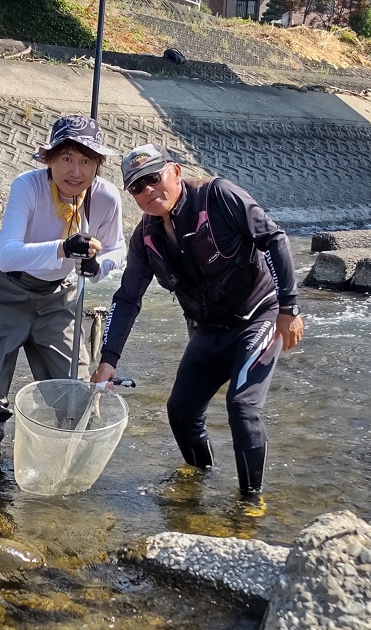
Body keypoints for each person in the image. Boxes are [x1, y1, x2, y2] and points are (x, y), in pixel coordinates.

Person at [91, 143, 303, 497]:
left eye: (153, 178)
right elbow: (127, 298)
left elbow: (274, 238)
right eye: (137, 187)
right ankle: (199, 480)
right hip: (206, 331)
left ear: (174, 171)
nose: (148, 190)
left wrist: (289, 308)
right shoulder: (145, 238)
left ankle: (250, 501)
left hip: (257, 317)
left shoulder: (218, 196)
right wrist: (107, 361)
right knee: (180, 410)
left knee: (242, 406)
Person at [0, 116, 126, 461]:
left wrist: (99, 266)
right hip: (2, 288)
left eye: (87, 161)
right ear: (48, 160)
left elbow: (117, 248)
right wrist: (65, 247)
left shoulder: (106, 197)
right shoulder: (27, 186)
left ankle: (67, 465)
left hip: (57, 295)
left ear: (98, 165)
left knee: (78, 390)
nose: (76, 172)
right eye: (66, 158)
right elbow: (8, 254)